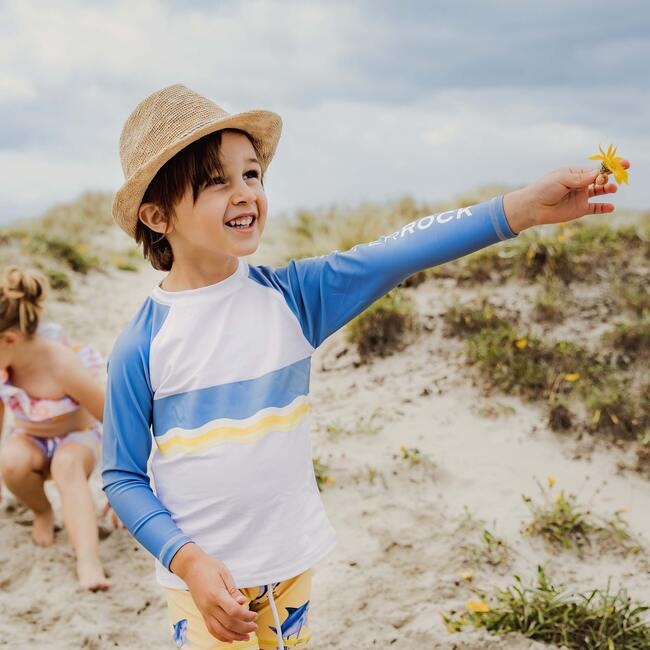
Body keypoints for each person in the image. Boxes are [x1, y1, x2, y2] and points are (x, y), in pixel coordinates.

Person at [103, 84, 628, 649]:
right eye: (215, 181)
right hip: (201, 584)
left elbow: (398, 252)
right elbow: (123, 476)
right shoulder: (142, 344)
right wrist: (189, 563)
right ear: (157, 216)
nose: (244, 194)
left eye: (251, 175)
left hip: (291, 564)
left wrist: (521, 209)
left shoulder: (294, 299)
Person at [0, 266, 114, 591]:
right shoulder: (4, 365)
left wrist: (122, 482)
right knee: (10, 461)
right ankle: (42, 510)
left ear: (10, 339)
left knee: (66, 465)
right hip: (31, 438)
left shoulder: (60, 363)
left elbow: (111, 416)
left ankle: (88, 559)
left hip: (79, 440)